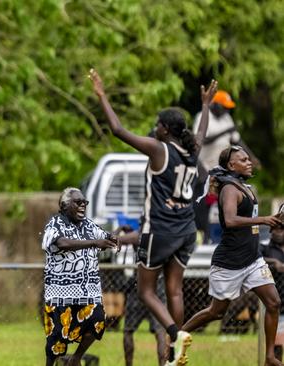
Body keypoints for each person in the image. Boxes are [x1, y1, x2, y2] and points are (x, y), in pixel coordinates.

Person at [90, 68, 218, 366]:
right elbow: (200, 133)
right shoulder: (191, 151)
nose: (154, 128)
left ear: (165, 129)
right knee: (174, 289)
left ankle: (176, 334)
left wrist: (102, 95)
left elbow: (118, 130)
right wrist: (206, 106)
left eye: (157, 124)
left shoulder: (159, 150)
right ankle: (175, 350)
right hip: (187, 231)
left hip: (160, 230)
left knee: (144, 290)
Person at [181, 146, 282, 366]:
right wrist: (264, 219)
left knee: (273, 303)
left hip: (253, 260)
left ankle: (269, 357)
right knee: (216, 312)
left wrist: (274, 221)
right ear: (230, 165)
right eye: (243, 159)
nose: (249, 162)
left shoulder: (246, 188)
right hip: (229, 263)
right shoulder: (229, 189)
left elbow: (250, 223)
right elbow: (230, 220)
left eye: (248, 158)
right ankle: (178, 335)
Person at [41, 187, 117, 366]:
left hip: (87, 292)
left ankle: (75, 359)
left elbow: (103, 237)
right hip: (60, 294)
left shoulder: (88, 225)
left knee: (98, 320)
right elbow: (62, 243)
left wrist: (115, 237)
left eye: (85, 202)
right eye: (78, 202)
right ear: (65, 205)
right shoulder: (55, 223)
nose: (83, 205)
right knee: (56, 343)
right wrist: (94, 242)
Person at [192, 90, 258, 244]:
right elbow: (203, 139)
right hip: (206, 169)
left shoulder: (226, 118)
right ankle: (204, 237)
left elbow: (237, 140)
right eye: (224, 107)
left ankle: (227, 237)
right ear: (215, 105)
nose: (227, 110)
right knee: (204, 205)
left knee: (227, 202)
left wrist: (251, 156)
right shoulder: (203, 116)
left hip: (225, 171)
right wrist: (225, 131)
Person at [117, 230, 168, 366]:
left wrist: (119, 229)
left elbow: (117, 239)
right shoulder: (164, 234)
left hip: (140, 287)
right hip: (157, 287)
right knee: (160, 332)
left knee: (128, 331)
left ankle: (129, 364)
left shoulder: (139, 235)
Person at [262, 210, 284, 361]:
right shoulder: (266, 249)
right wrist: (273, 262)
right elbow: (255, 258)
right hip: (279, 305)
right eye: (274, 229)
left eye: (281, 229)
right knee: (277, 345)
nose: (277, 232)